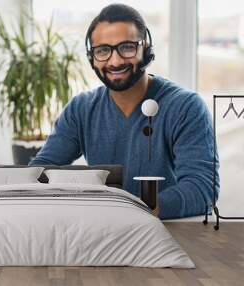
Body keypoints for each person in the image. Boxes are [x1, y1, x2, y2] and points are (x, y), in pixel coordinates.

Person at [28, 3, 220, 219]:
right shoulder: (81, 109)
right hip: (102, 231)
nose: (115, 60)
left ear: (145, 48)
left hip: (167, 234)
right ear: (92, 57)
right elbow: (40, 171)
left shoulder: (186, 106)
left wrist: (134, 210)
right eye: (103, 50)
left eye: (127, 47)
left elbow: (202, 188)